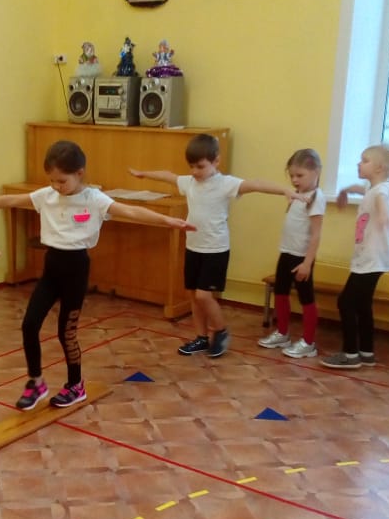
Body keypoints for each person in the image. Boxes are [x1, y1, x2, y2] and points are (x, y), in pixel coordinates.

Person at [0, 140, 195, 410]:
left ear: (79, 173)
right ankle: (36, 382)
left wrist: (167, 221)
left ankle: (75, 385)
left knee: (66, 333)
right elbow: (10, 200)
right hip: (51, 268)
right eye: (52, 180)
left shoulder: (94, 199)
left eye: (62, 181)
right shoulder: (46, 196)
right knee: (29, 325)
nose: (56, 186)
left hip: (76, 270)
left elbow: (130, 211)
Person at [130, 133, 305, 358]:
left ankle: (221, 331)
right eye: (191, 166)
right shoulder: (189, 182)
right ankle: (201, 338)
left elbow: (256, 184)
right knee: (194, 296)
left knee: (204, 296)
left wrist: (285, 190)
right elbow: (168, 176)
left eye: (200, 166)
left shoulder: (226, 184)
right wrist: (144, 174)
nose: (195, 171)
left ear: (216, 161)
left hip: (215, 250)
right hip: (193, 248)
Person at [321, 144, 389, 369]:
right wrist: (345, 190)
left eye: (365, 160)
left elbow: (381, 202)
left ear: (379, 168)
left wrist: (384, 217)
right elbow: (364, 191)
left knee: (345, 302)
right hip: (373, 259)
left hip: (371, 259)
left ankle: (350, 354)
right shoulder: (375, 189)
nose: (359, 163)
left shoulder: (381, 192)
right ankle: (366, 353)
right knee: (362, 304)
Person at [258, 149, 325, 358]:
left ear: (316, 172)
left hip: (301, 257)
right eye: (292, 175)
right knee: (280, 292)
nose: (294, 180)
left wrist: (307, 263)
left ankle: (308, 342)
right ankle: (282, 333)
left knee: (306, 298)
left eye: (300, 175)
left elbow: (316, 234)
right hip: (286, 252)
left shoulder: (316, 197)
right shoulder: (297, 194)